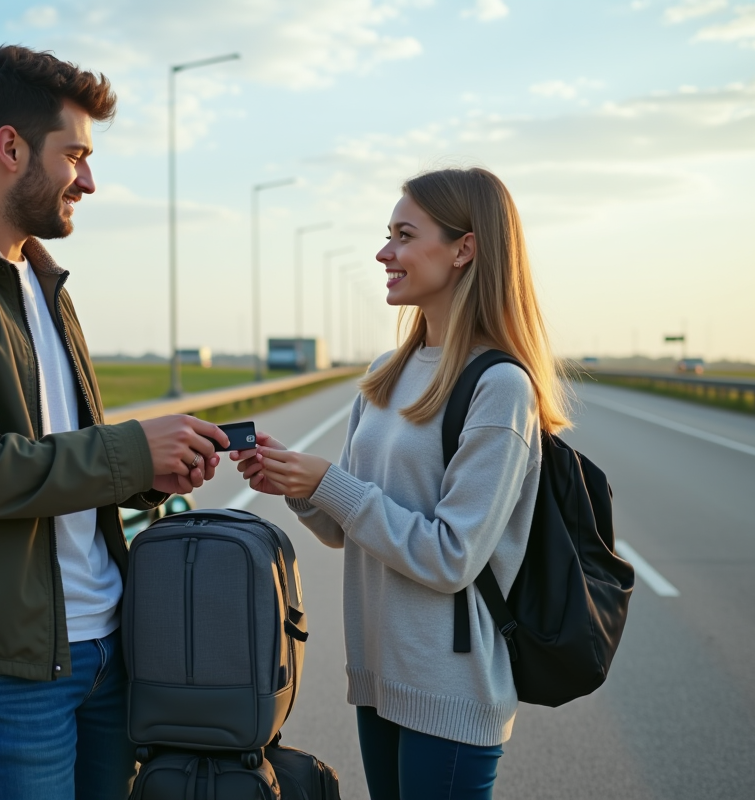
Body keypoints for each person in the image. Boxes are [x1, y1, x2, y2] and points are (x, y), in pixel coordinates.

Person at [0, 45, 229, 800]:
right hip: (5, 666)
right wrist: (129, 450)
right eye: (75, 156)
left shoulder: (44, 281)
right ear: (10, 147)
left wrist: (154, 470)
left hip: (105, 643)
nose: (88, 180)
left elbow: (58, 452)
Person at [233, 167, 570, 800]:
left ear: (464, 248)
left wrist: (331, 483)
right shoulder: (388, 371)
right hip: (378, 676)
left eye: (404, 235)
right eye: (387, 234)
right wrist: (296, 481)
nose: (384, 253)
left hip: (449, 688)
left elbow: (451, 557)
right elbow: (343, 527)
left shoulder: (499, 386)